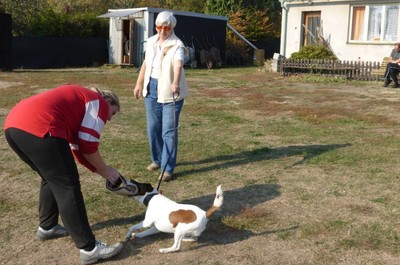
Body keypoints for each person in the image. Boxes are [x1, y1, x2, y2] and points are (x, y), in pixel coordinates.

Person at [4, 85, 124, 265]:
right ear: (108, 101)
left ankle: (48, 227)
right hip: (40, 126)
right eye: (112, 113)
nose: (109, 118)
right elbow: (88, 145)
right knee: (68, 186)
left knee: (51, 178)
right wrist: (106, 171)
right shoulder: (98, 102)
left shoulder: (80, 103)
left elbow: (79, 150)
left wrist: (102, 172)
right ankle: (89, 248)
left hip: (13, 127)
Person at [133, 11, 188, 182]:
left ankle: (167, 168)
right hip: (152, 88)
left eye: (166, 27)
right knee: (153, 128)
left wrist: (176, 82)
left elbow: (178, 65)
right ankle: (156, 160)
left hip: (171, 90)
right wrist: (139, 83)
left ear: (171, 27)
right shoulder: (150, 42)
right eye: (159, 27)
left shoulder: (177, 45)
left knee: (168, 131)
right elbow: (146, 63)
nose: (162, 31)